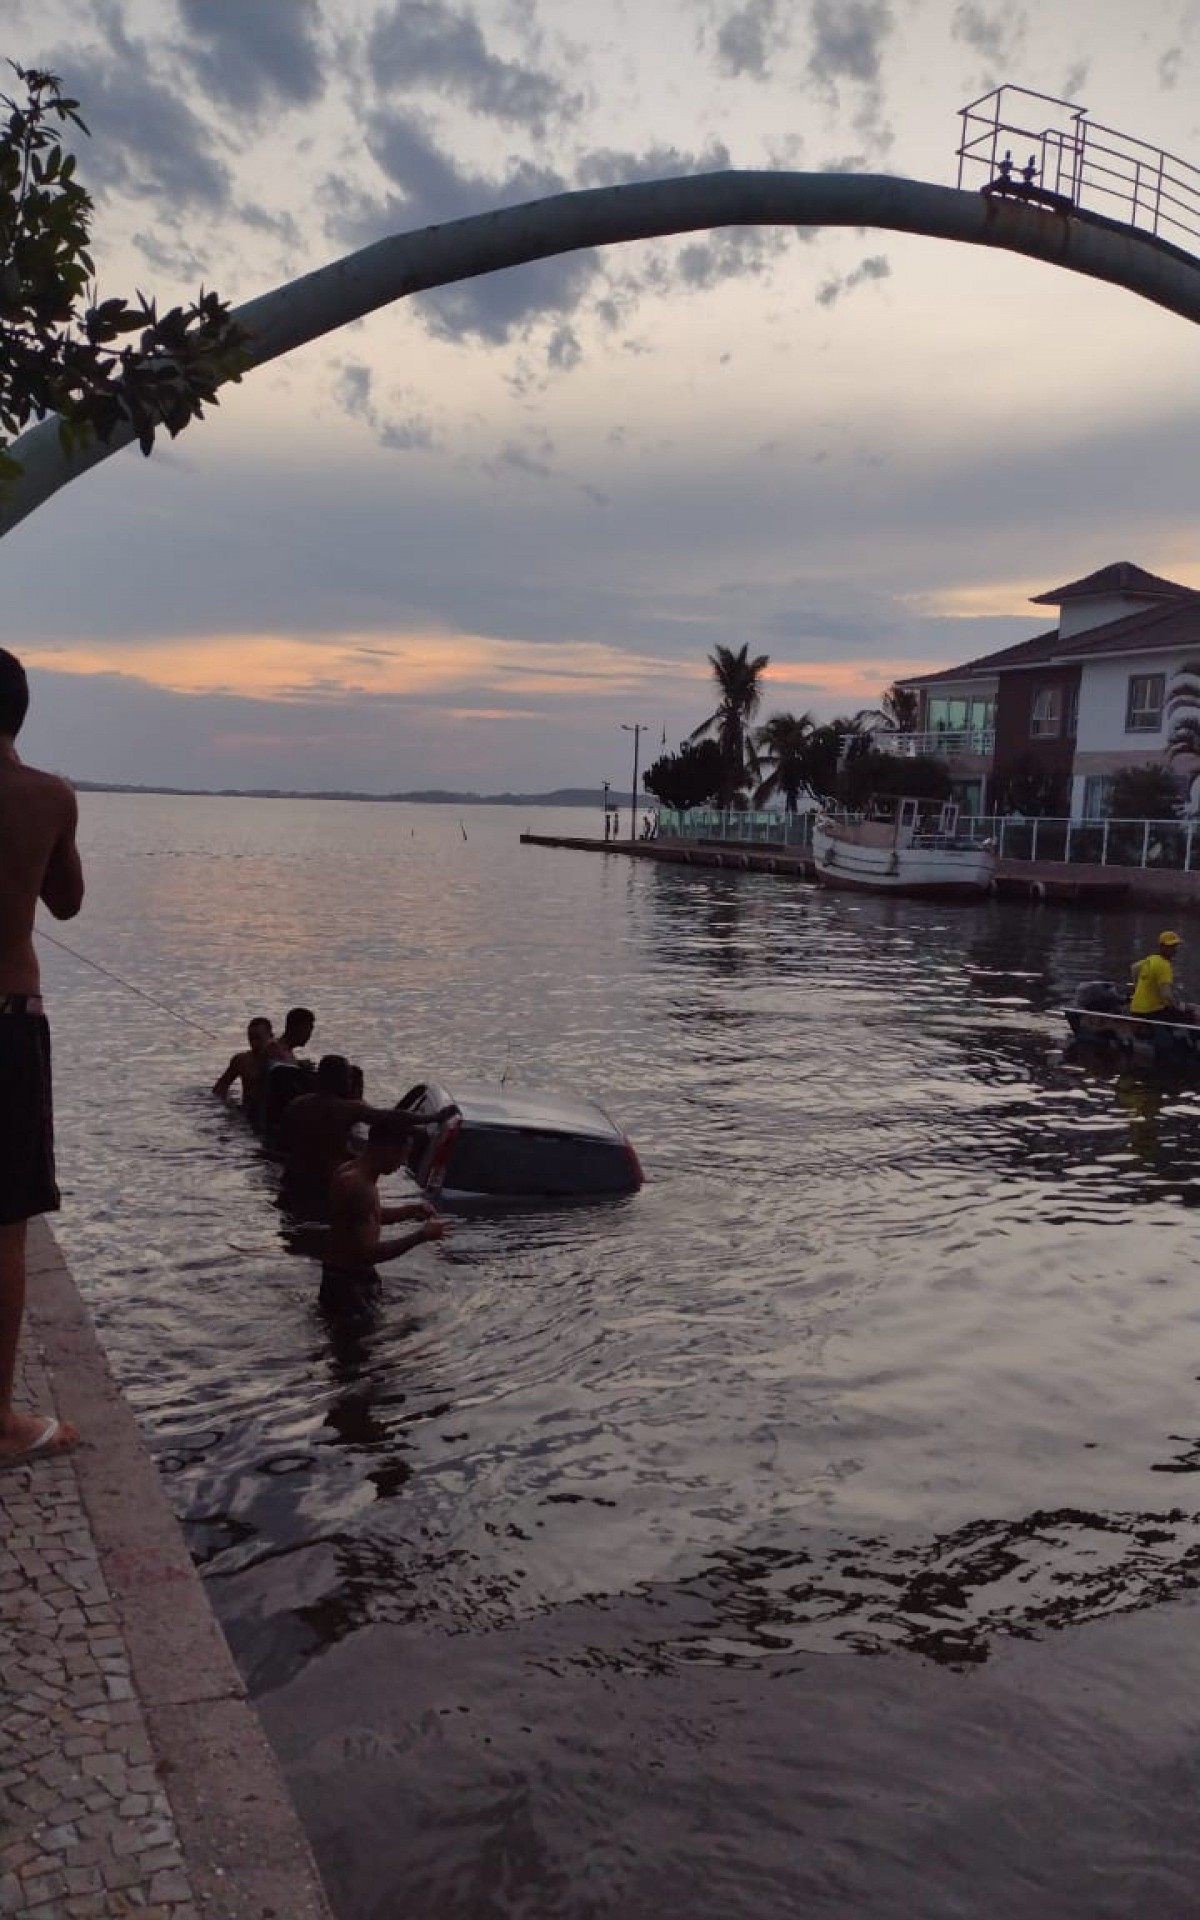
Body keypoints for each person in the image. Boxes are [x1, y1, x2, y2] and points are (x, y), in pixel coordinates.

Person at [0, 648, 85, 1467]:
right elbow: (67, 901)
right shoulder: (47, 796)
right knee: (4, 1230)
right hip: (6, 1023)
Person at [320, 1113, 446, 1307]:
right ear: (387, 1148)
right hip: (349, 1286)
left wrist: (409, 1211)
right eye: (404, 1154)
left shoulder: (348, 1170)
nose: (403, 1162)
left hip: (338, 1277)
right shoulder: (361, 1187)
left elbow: (367, 1217)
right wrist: (421, 1236)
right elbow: (368, 1253)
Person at [213, 1017, 275, 1110]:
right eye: (251, 1038)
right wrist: (228, 1106)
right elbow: (220, 1087)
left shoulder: (281, 1061)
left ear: (271, 1036)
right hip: (247, 1111)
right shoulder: (241, 1060)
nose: (254, 1043)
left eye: (258, 1038)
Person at [1130, 931, 1187, 1021]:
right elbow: (1166, 995)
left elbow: (1134, 968)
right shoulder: (1164, 965)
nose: (1174, 949)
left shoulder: (1151, 959)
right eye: (1170, 946)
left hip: (1135, 1009)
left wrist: (1136, 987)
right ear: (1162, 946)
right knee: (1188, 1013)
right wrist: (1177, 1008)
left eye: (1175, 946)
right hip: (1151, 1012)